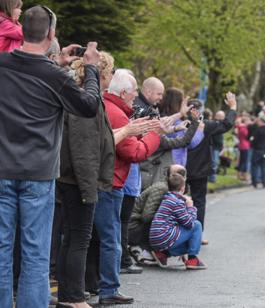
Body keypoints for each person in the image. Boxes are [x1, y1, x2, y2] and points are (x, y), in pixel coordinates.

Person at [0, 6, 101, 307]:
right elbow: (89, 105)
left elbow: (27, 70)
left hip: (2, 170)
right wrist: (92, 68)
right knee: (35, 254)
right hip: (39, 174)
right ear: (51, 34)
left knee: (2, 250)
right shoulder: (56, 77)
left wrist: (55, 61)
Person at [56, 51, 121, 308]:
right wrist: (88, 189)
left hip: (73, 179)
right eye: (111, 71)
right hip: (79, 181)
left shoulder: (84, 98)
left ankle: (67, 295)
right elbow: (83, 149)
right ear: (102, 73)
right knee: (78, 238)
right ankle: (74, 297)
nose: (112, 76)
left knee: (72, 237)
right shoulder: (86, 102)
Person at [99, 69, 163, 305]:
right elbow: (134, 151)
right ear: (124, 92)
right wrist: (154, 134)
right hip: (111, 181)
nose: (137, 95)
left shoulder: (111, 108)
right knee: (111, 237)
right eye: (135, 90)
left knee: (100, 236)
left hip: (108, 180)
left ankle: (97, 285)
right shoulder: (117, 114)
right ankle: (107, 288)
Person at [186, 94, 237, 243]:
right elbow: (226, 124)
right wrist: (232, 107)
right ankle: (197, 235)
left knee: (177, 200)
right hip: (200, 169)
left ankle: (177, 233)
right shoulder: (205, 126)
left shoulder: (178, 124)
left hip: (180, 168)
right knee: (199, 202)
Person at [149, 169, 207, 269]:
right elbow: (190, 224)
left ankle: (163, 254)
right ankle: (192, 259)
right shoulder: (177, 202)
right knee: (197, 225)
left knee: (187, 242)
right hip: (164, 236)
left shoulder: (167, 198)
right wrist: (190, 207)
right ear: (183, 188)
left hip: (156, 238)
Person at [128, 164, 186, 265]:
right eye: (176, 174)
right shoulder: (161, 189)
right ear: (168, 175)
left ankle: (152, 251)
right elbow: (146, 216)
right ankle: (142, 249)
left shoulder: (172, 188)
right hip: (132, 226)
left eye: (181, 174)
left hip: (137, 224)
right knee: (163, 223)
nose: (178, 177)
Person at [250, 116, 265, 188]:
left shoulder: (257, 130)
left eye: (258, 121)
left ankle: (255, 182)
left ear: (261, 121)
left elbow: (254, 140)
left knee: (255, 166)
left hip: (257, 150)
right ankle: (264, 182)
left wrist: (252, 144)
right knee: (264, 167)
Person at [209, 110, 226, 183]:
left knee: (215, 162)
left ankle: (212, 178)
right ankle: (212, 178)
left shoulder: (219, 124)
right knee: (214, 163)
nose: (223, 118)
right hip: (214, 146)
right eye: (222, 117)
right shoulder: (216, 124)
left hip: (217, 147)